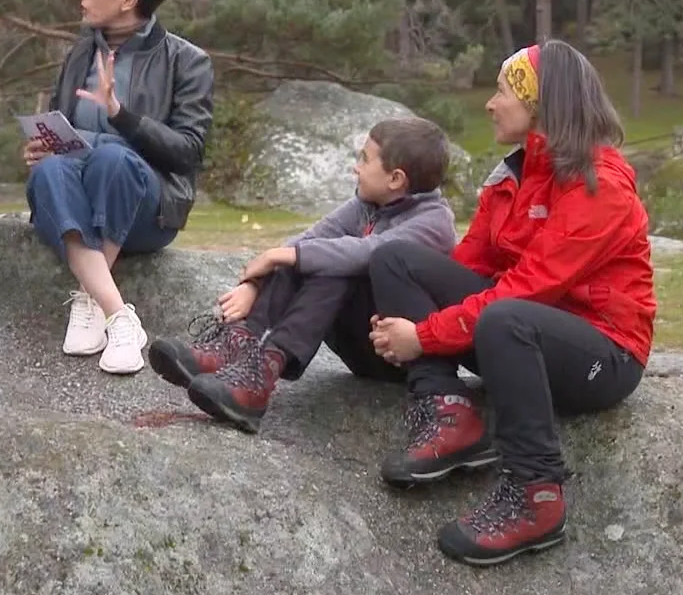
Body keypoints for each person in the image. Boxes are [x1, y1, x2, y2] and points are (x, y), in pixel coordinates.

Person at [365, 39, 656, 567]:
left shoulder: (600, 187)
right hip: (516, 335)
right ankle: (448, 411)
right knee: (396, 260)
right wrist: (407, 320)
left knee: (505, 316)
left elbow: (527, 290)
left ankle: (536, 494)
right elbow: (467, 269)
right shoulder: (512, 177)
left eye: (501, 91)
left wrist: (424, 336)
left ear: (538, 103)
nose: (490, 103)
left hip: (604, 356)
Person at [145, 117, 457, 433]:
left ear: (396, 179)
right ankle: (239, 344)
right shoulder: (367, 203)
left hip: (397, 356)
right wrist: (254, 283)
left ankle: (262, 374)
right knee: (315, 256)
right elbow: (311, 240)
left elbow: (364, 253)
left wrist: (285, 255)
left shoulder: (433, 223)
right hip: (358, 336)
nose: (356, 168)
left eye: (364, 158)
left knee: (337, 263)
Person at [24, 0, 214, 375]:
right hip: (80, 199)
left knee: (112, 159)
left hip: (146, 209)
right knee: (52, 169)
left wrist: (120, 116)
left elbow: (187, 153)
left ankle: (92, 296)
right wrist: (44, 143)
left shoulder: (187, 60)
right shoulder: (80, 51)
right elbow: (64, 130)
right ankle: (116, 314)